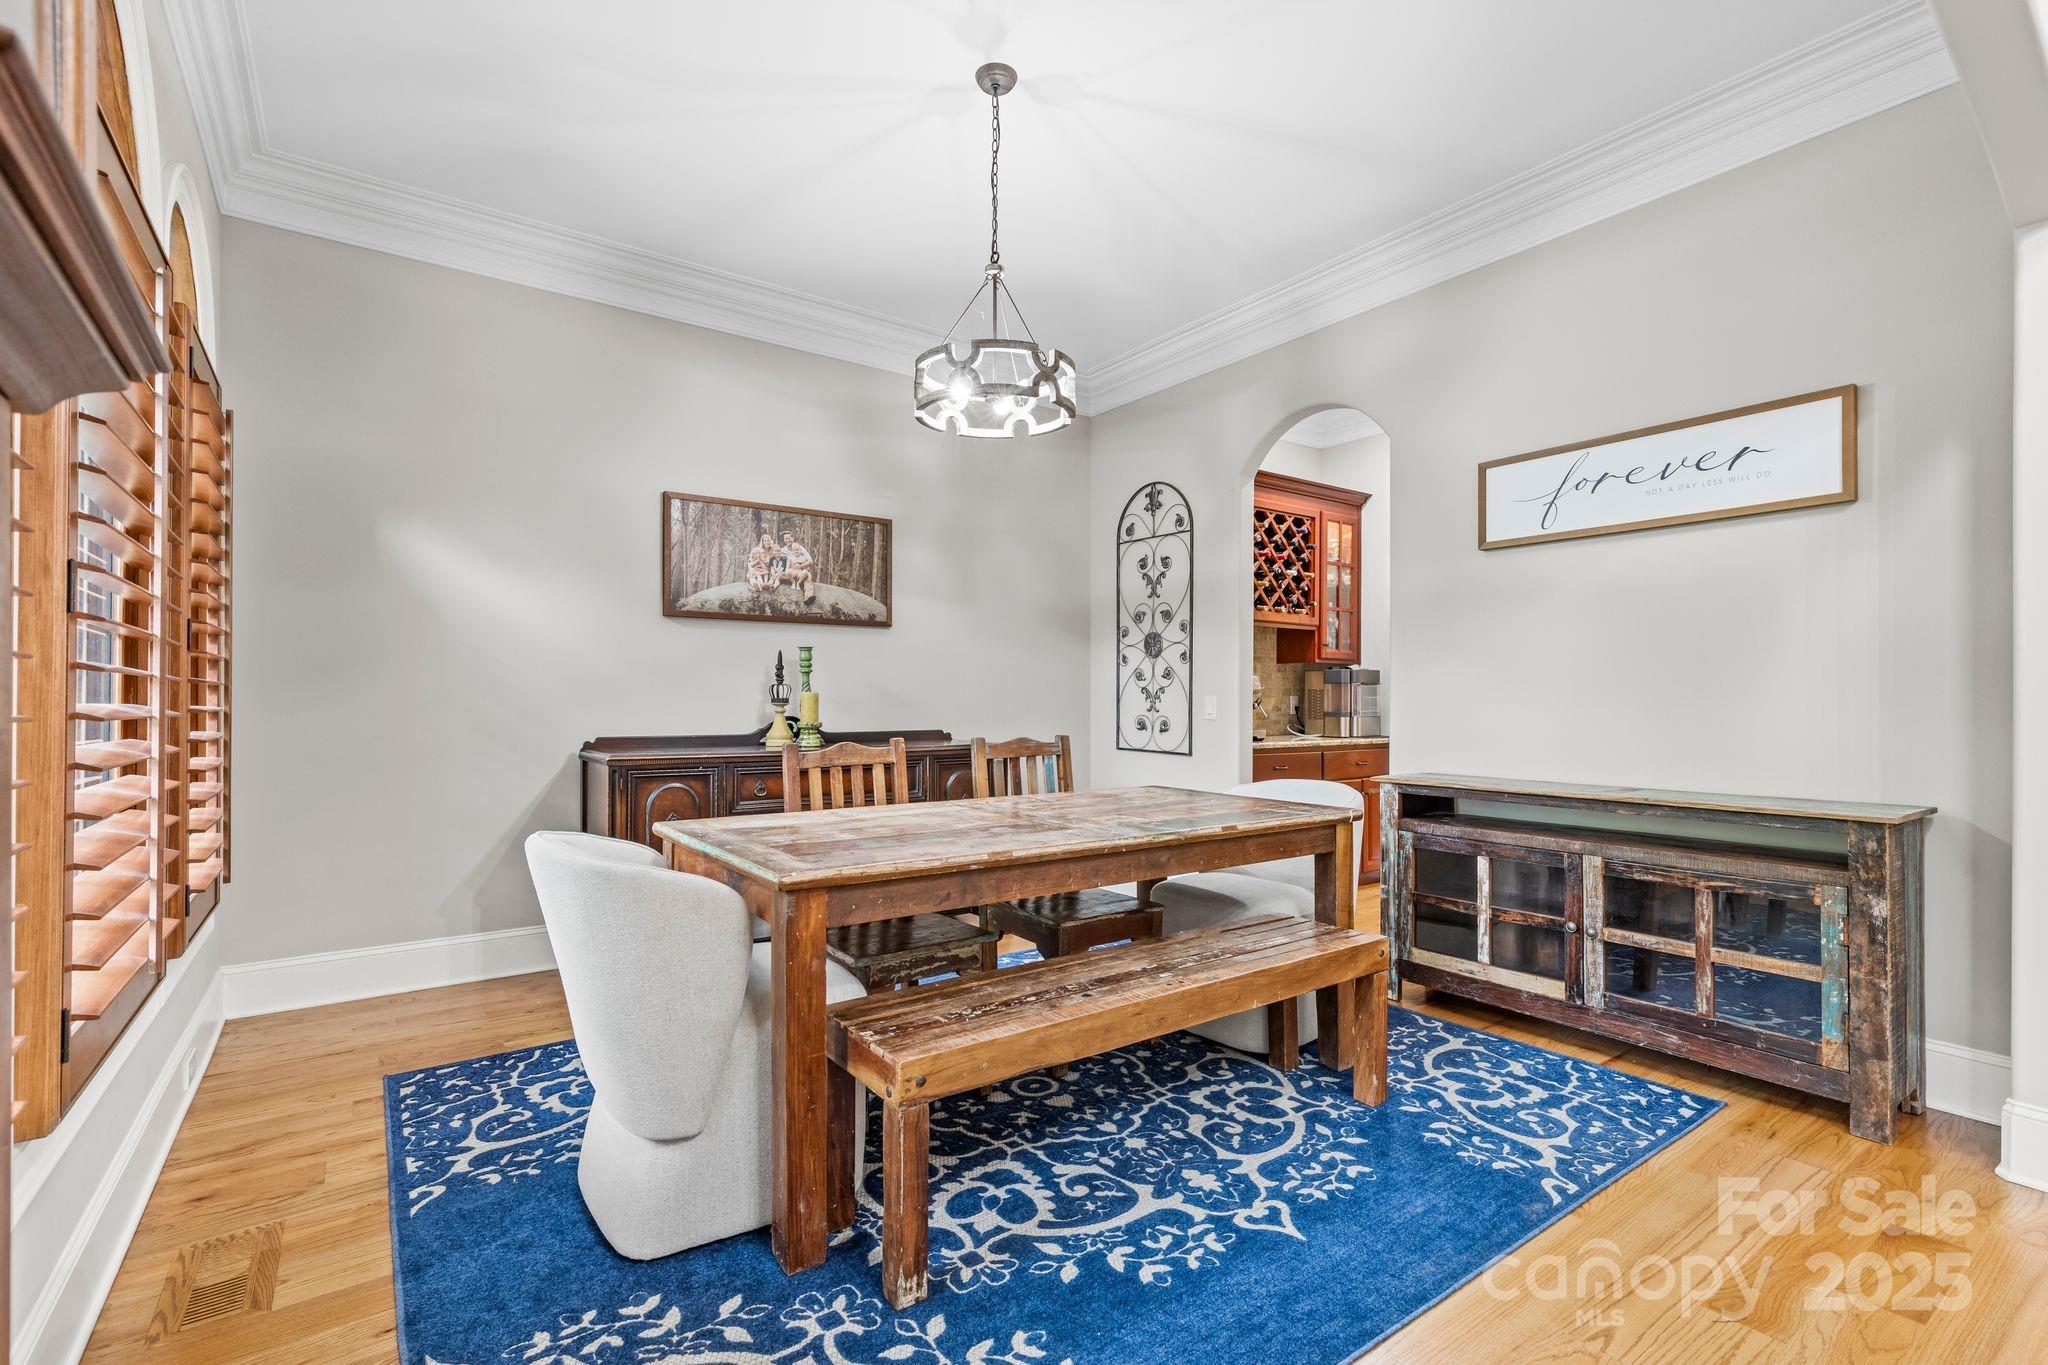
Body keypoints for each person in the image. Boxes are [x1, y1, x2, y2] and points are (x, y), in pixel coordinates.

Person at [778, 532, 815, 602]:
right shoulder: (783, 550)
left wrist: (800, 566)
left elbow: (811, 561)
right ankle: (793, 582)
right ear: (784, 540)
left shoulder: (800, 548)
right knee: (780, 575)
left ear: (793, 538)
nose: (787, 540)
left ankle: (808, 596)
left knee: (808, 576)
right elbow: (775, 556)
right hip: (791, 572)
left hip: (802, 571)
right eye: (785, 539)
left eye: (789, 538)